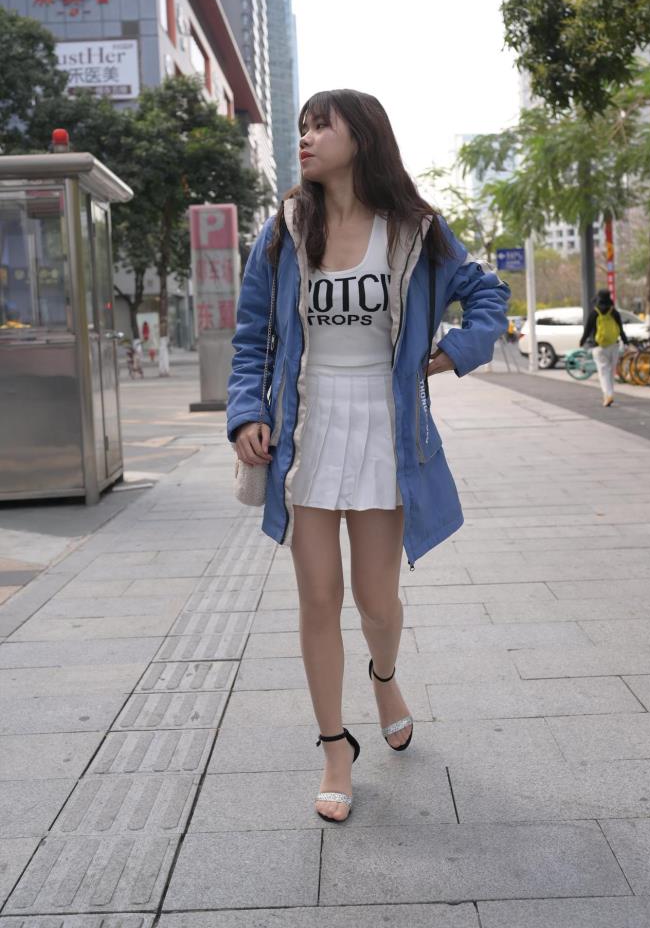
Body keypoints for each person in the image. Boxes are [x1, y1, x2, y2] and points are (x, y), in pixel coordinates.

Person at [227, 89, 510, 824]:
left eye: (322, 126)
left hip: (386, 428)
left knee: (376, 601)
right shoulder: (286, 231)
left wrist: (457, 350)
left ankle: (385, 676)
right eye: (302, 127)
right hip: (308, 427)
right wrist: (247, 413)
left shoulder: (415, 229)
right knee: (318, 596)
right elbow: (253, 334)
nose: (306, 138)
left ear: (362, 137)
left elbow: (486, 295)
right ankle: (335, 747)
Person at [579, 288, 629, 406]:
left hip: (599, 346)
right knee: (611, 372)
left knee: (603, 371)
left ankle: (607, 394)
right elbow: (620, 329)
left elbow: (587, 330)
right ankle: (610, 393)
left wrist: (582, 341)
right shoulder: (614, 312)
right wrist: (625, 341)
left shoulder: (594, 313)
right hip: (614, 345)